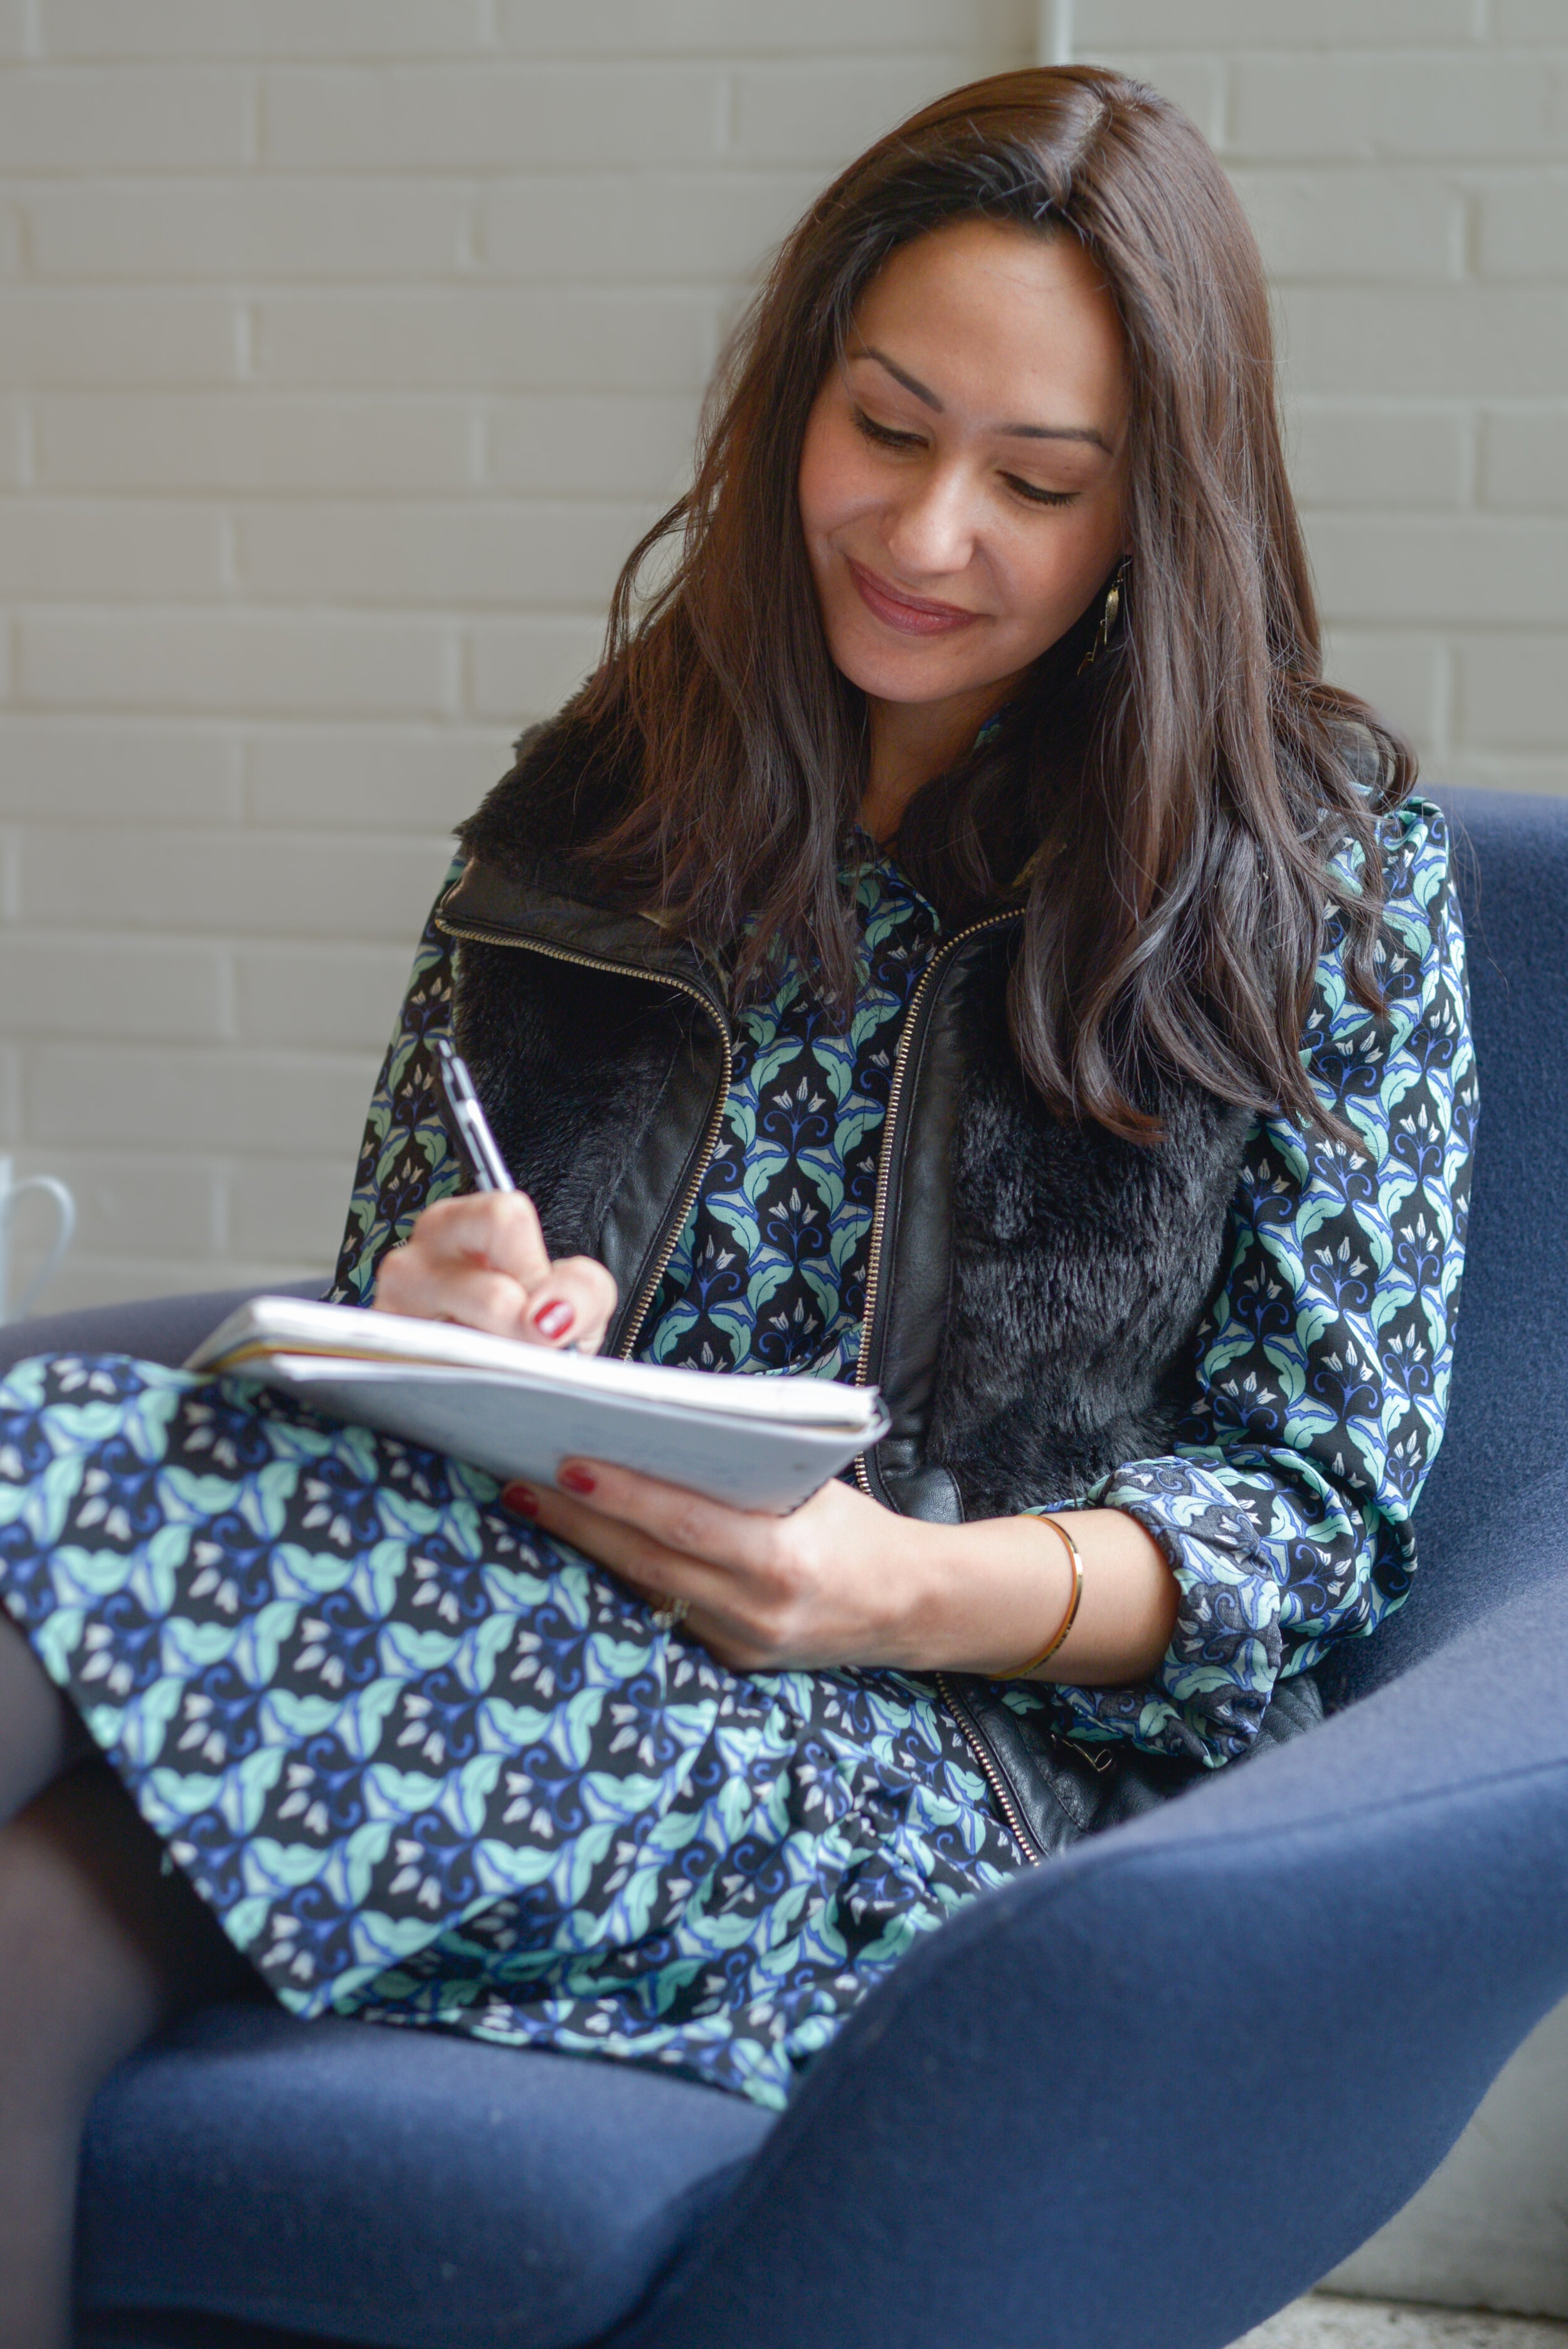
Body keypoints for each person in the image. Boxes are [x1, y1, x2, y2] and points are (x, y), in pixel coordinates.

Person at [0, 63, 1474, 2348]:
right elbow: (401, 1260)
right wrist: (443, 1295)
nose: (929, 532)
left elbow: (1316, 1511)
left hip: (943, 1762)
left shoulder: (1309, 878)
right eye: (883, 429)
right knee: (26, 1938)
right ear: (798, 392)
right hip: (508, 1618)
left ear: (1151, 508)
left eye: (1036, 482)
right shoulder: (608, 795)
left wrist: (891, 1583)